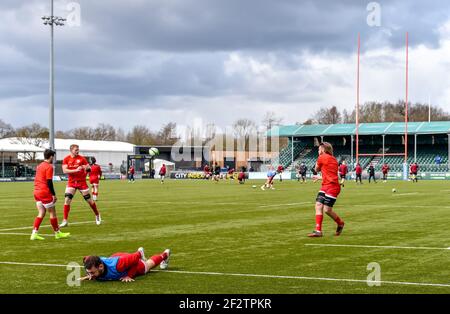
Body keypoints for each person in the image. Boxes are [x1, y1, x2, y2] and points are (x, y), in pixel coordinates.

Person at [30, 149, 71, 241]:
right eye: (53, 156)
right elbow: (49, 182)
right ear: (51, 156)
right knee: (52, 212)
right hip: (44, 192)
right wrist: (53, 194)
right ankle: (57, 233)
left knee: (41, 212)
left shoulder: (39, 165)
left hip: (36, 191)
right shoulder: (49, 166)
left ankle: (34, 234)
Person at [308, 142, 345, 237]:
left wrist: (316, 170)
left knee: (327, 210)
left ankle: (340, 223)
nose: (318, 151)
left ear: (323, 150)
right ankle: (318, 231)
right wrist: (320, 178)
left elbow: (316, 170)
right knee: (318, 205)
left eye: (319, 149)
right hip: (327, 185)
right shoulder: (334, 159)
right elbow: (330, 174)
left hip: (332, 186)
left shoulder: (321, 157)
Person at [60, 144, 101, 227]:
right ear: (71, 150)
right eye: (76, 150)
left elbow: (89, 168)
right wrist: (76, 170)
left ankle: (97, 215)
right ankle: (65, 220)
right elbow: (64, 170)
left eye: (78, 149)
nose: (77, 151)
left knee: (89, 201)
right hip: (71, 182)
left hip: (82, 182)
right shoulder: (66, 159)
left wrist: (85, 167)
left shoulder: (82, 158)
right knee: (67, 199)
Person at [80, 247, 171, 282]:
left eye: (92, 272)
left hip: (122, 261)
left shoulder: (119, 265)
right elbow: (86, 258)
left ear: (100, 266)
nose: (90, 275)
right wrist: (89, 275)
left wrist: (129, 275)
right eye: (89, 272)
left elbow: (135, 260)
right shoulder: (91, 263)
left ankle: (165, 254)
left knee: (146, 266)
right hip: (116, 257)